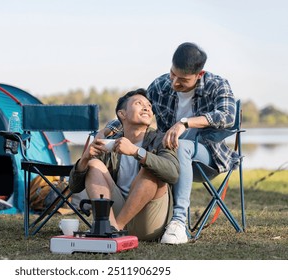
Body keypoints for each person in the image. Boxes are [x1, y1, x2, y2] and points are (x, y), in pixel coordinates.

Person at [100, 42, 239, 244]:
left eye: (182, 80)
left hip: (206, 157)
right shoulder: (161, 85)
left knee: (179, 146)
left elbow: (228, 116)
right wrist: (106, 131)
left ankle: (178, 222)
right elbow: (137, 109)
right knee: (160, 157)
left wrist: (185, 123)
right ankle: (146, 218)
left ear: (199, 75)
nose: (174, 82)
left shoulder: (217, 84)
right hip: (169, 160)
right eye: (172, 74)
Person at [69, 88, 180, 241]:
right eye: (138, 103)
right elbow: (75, 187)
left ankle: (115, 230)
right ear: (122, 114)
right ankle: (108, 226)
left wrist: (136, 152)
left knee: (151, 169)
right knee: (94, 164)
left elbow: (173, 174)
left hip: (149, 221)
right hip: (116, 210)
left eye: (148, 105)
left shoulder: (160, 139)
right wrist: (85, 159)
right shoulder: (110, 144)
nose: (147, 107)